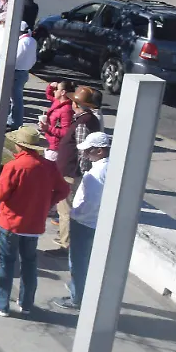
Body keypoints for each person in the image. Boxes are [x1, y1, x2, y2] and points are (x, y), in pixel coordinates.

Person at [0, 127, 70, 318]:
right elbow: (63, 190)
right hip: (34, 224)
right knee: (29, 263)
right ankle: (26, 302)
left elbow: (0, 194)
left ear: (19, 144)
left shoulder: (14, 166)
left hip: (11, 222)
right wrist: (47, 203)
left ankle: (2, 303)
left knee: (6, 263)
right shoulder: (48, 166)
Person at [52, 131, 112, 311]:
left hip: (85, 223)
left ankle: (76, 298)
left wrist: (75, 214)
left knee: (78, 262)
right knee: (88, 261)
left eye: (88, 151)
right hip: (95, 223)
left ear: (100, 151)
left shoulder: (97, 173)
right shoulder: (109, 167)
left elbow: (90, 201)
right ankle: (79, 290)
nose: (85, 154)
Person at [54, 85, 101, 251]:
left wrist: (80, 171)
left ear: (77, 105)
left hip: (70, 172)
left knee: (65, 209)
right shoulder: (88, 119)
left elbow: (82, 150)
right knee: (66, 207)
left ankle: (65, 244)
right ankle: (64, 236)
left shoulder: (83, 122)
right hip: (71, 171)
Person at [5, 22, 37, 130]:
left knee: (15, 100)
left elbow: (16, 57)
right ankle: (12, 120)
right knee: (15, 98)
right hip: (24, 71)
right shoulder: (32, 41)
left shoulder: (22, 42)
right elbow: (34, 59)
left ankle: (15, 123)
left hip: (17, 71)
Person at [39, 80, 76, 160]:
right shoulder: (58, 101)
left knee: (49, 170)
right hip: (49, 142)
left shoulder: (66, 110)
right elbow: (48, 95)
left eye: (56, 89)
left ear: (63, 92)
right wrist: (50, 86)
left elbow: (66, 132)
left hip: (55, 147)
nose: (54, 91)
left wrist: (48, 128)